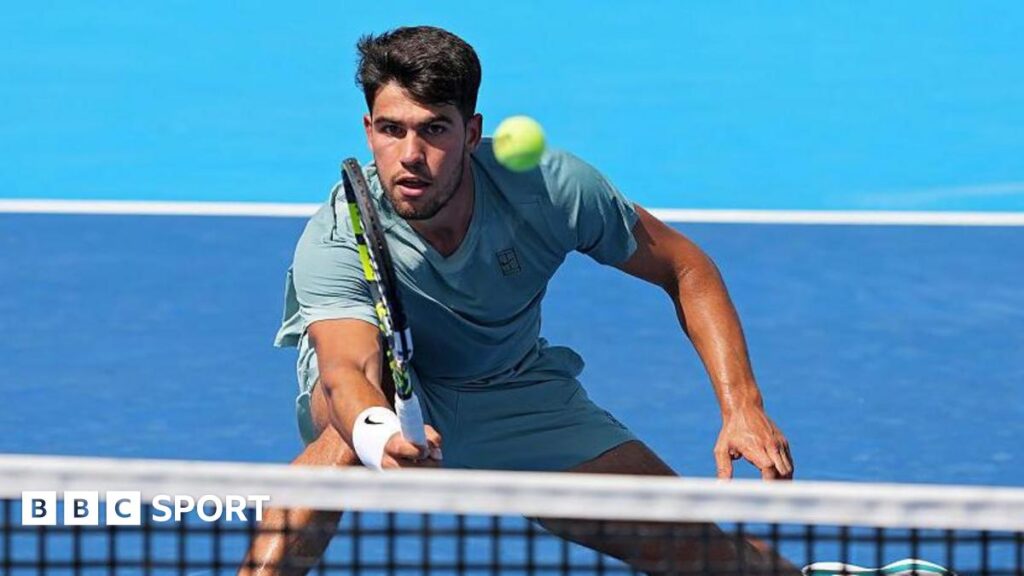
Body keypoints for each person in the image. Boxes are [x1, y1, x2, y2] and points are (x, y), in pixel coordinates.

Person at [242, 24, 799, 576]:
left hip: (512, 388)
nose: (410, 155)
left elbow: (685, 267)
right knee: (351, 421)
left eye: (434, 130)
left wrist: (741, 407)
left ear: (472, 131)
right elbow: (346, 371)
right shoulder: (341, 234)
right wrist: (379, 433)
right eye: (392, 130)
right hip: (390, 386)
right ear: (368, 131)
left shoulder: (551, 188)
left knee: (701, 554)